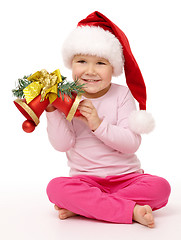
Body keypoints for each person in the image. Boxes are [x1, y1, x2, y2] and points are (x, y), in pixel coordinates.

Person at [46, 11, 171, 228]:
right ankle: (130, 210)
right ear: (71, 63)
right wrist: (51, 111)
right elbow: (62, 145)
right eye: (82, 61)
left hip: (128, 179)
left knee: (161, 188)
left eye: (101, 63)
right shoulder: (67, 97)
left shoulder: (121, 95)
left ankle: (86, 207)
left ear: (113, 68)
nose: (90, 71)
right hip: (85, 181)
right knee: (55, 188)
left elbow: (131, 144)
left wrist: (97, 124)